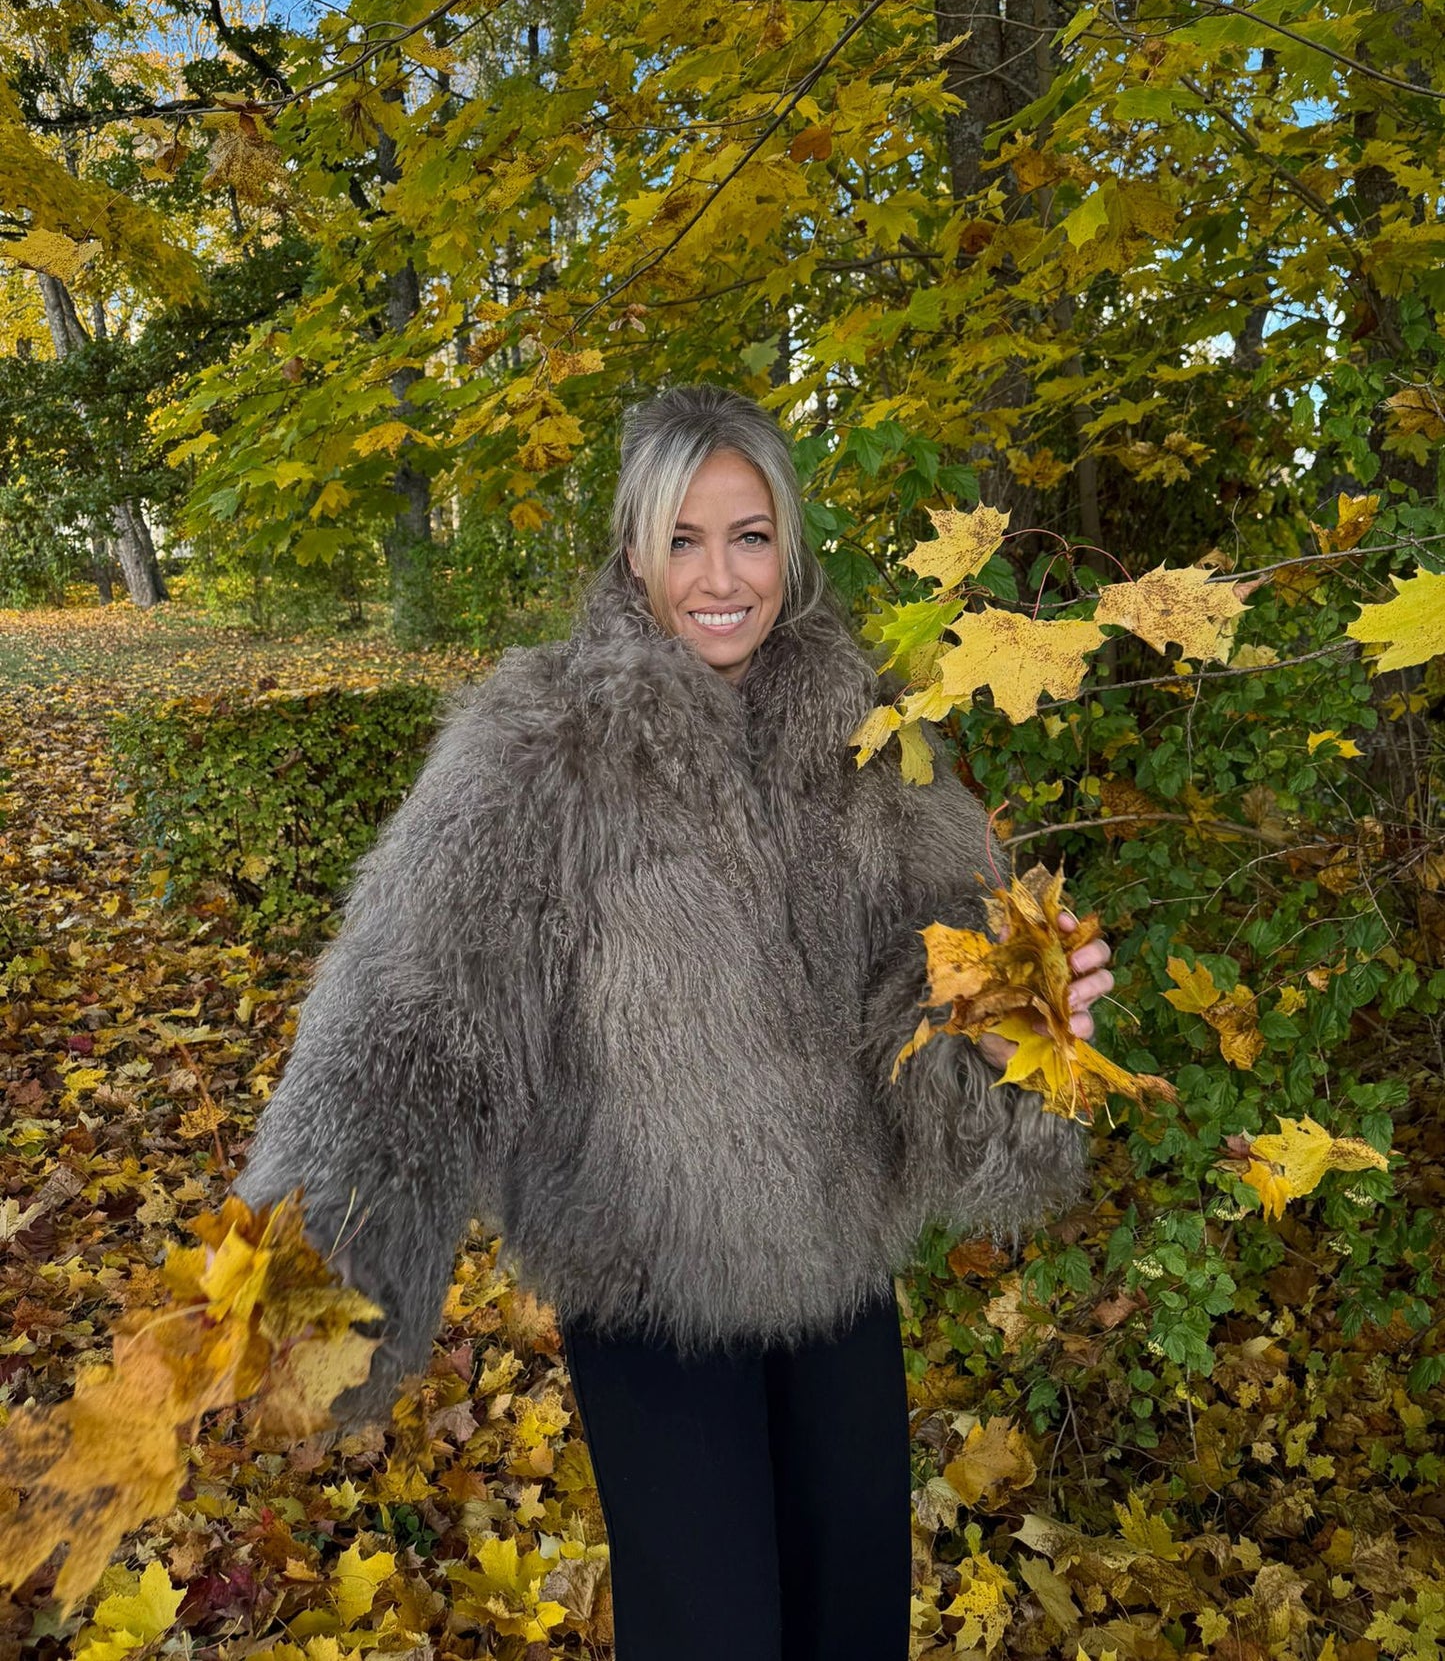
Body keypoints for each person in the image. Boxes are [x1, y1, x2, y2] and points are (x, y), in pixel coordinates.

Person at [233, 383, 1113, 1660]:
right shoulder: (540, 747)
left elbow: (930, 971)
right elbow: (409, 1022)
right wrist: (306, 1278)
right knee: (711, 1629)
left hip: (835, 1280)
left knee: (851, 1614)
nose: (719, 578)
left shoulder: (874, 734)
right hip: (649, 1285)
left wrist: (998, 1030)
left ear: (788, 544)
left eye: (748, 536)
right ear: (632, 552)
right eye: (682, 540)